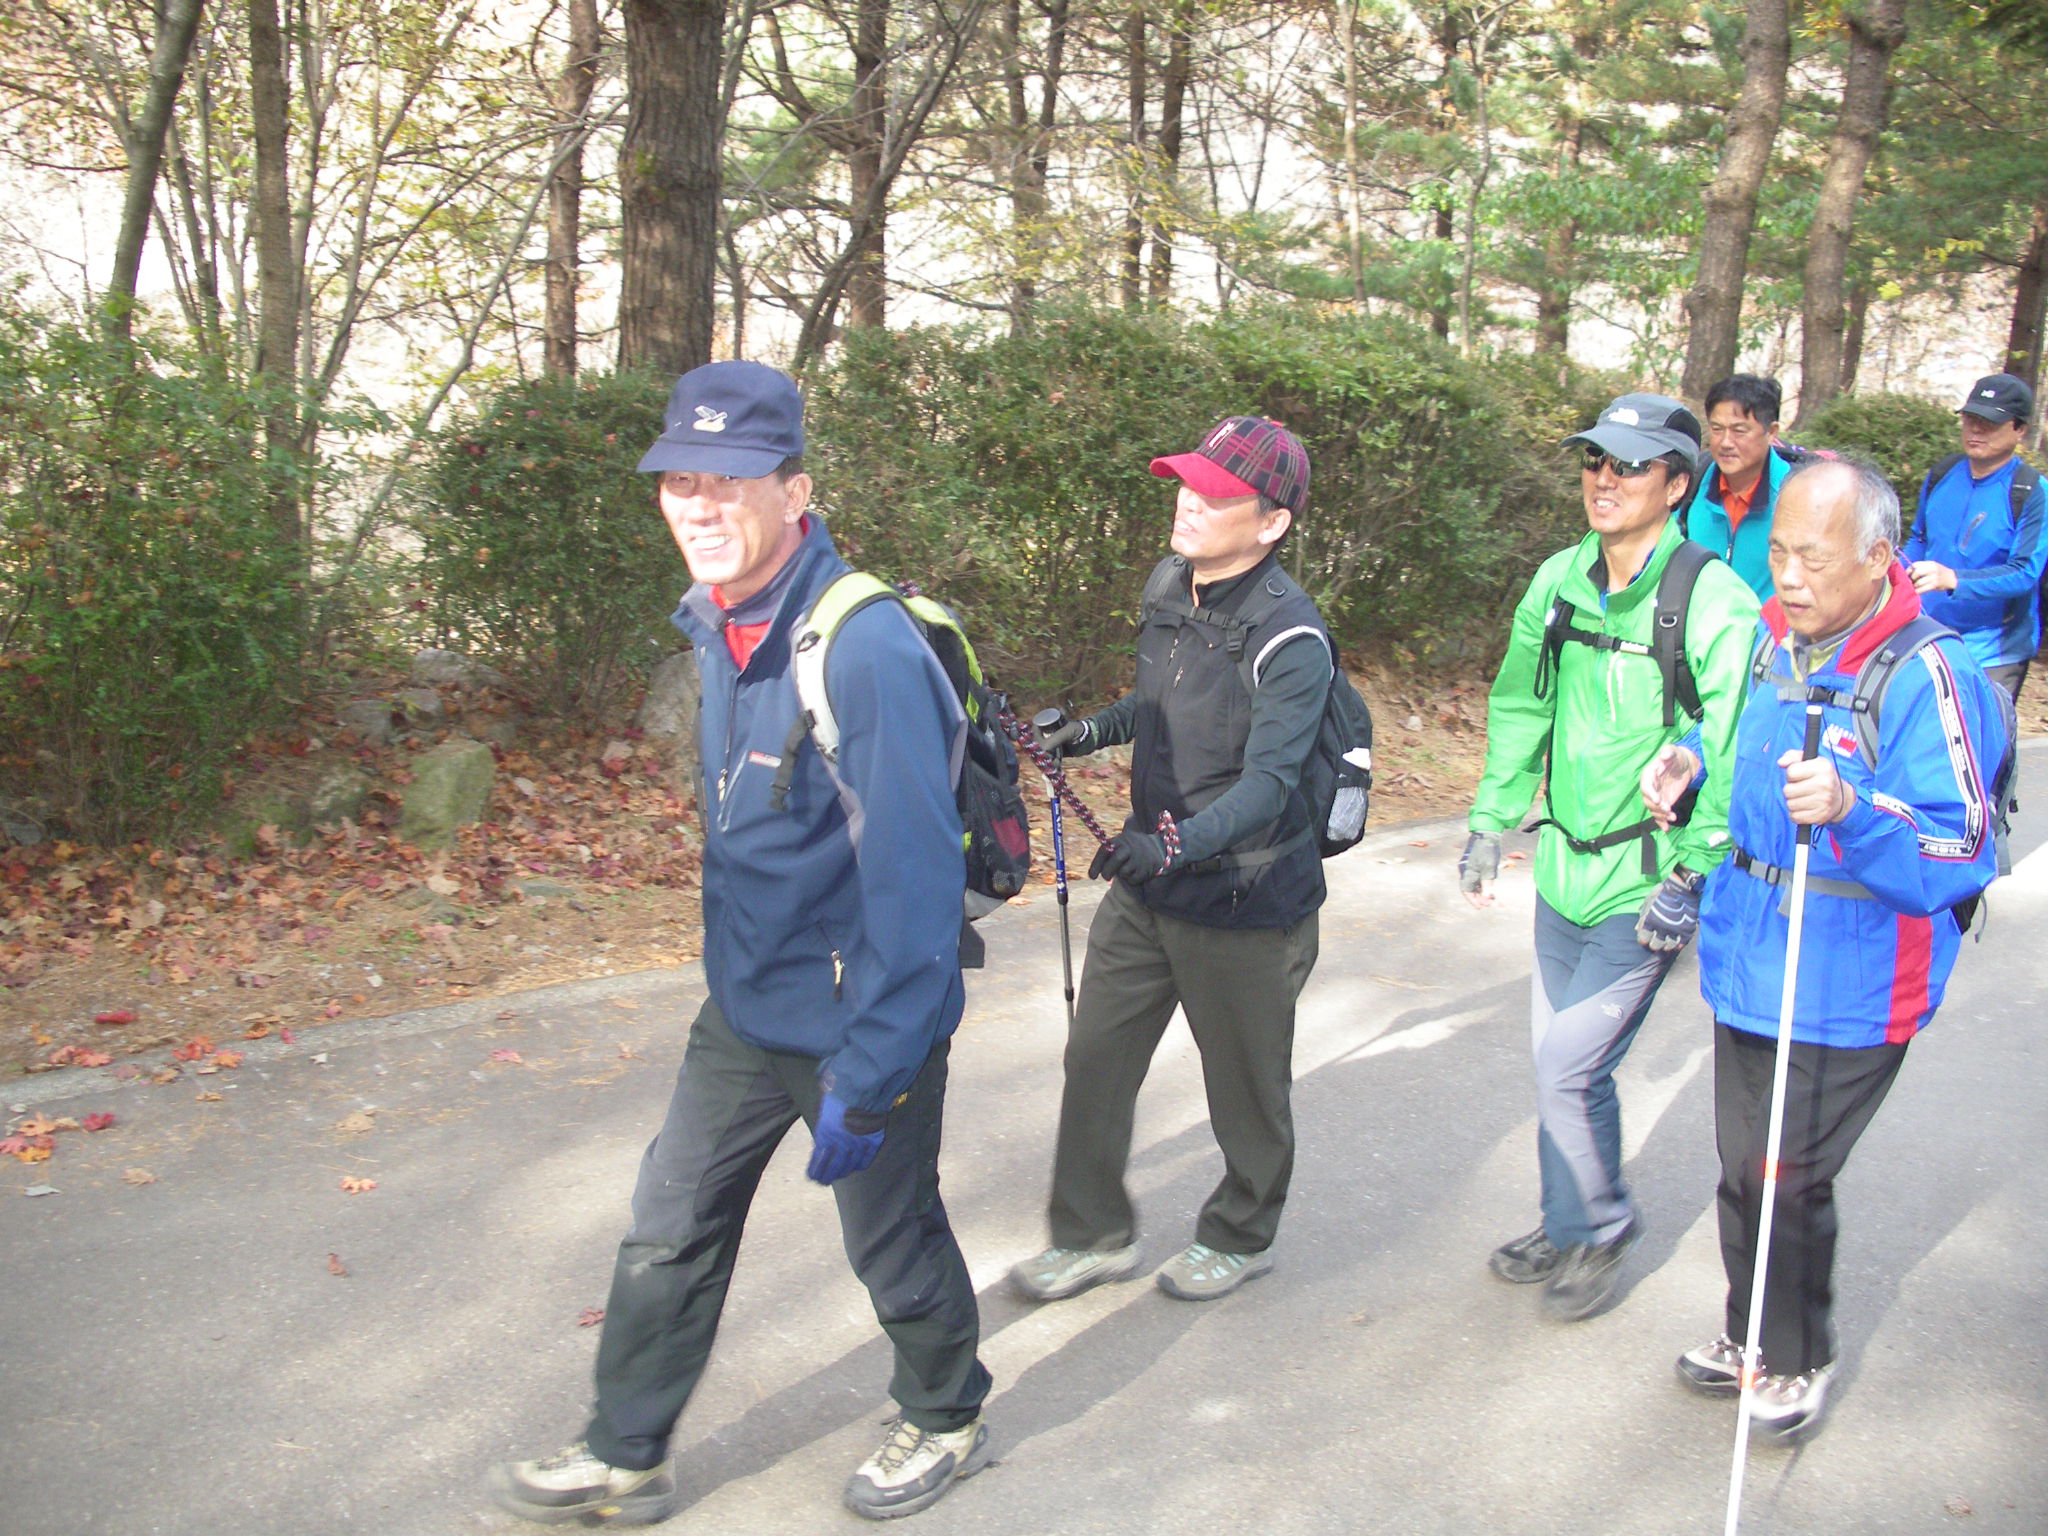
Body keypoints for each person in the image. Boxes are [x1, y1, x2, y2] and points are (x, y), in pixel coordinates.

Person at [489, 361, 992, 1525]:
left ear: (794, 490)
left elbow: (916, 891)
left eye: (729, 481)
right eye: (678, 483)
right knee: (667, 1227)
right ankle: (626, 1449)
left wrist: (872, 1074)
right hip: (745, 1006)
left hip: (859, 1021)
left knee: (891, 1236)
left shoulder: (857, 648)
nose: (699, 506)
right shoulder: (718, 622)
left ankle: (946, 1410)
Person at [1642, 457, 2006, 1442]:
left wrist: (1853, 810)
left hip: (1855, 973)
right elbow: (1726, 735)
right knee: (1738, 1165)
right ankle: (1747, 1330)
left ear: (1878, 557)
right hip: (1750, 947)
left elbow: (1963, 843)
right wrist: (1688, 760)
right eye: (1778, 554)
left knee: (1785, 1175)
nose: (1788, 577)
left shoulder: (1930, 672)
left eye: (1811, 556)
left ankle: (1794, 1351)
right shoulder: (1775, 640)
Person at [1008, 415, 1332, 1305]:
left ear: (1271, 523)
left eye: (1218, 493)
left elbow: (1269, 785)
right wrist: (1084, 734)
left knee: (1245, 1090)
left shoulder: (1291, 638)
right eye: (1187, 481)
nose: (1191, 501)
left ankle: (1240, 1231)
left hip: (1247, 901)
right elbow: (1151, 703)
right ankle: (1091, 1233)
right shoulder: (1170, 587)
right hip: (1152, 888)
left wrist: (1174, 844)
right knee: (1097, 1057)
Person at [1462, 394, 1761, 1321]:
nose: (1605, 478)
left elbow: (1738, 738)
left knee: (1566, 1069)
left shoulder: (1715, 599)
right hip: (1563, 873)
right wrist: (1491, 818)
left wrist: (1691, 872)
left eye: (1631, 466)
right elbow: (1522, 704)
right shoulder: (1558, 579)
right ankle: (1564, 1219)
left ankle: (1602, 1222)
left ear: (1678, 484)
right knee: (1557, 1060)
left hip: (1646, 886)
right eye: (1595, 459)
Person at [1903, 371, 2046, 701]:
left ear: (2020, 429)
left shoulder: (2030, 491)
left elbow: (2025, 573)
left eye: (1991, 422)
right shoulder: (1942, 474)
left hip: (1995, 649)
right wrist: (1902, 572)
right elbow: (1919, 538)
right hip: (1927, 634)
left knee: (1984, 743)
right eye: (1971, 419)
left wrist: (1953, 578)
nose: (1977, 429)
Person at [1683, 374, 1811, 601]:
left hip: (1771, 633)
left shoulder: (1799, 495)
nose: (1726, 442)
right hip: (1695, 631)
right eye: (1717, 429)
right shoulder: (1689, 486)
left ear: (1771, 432)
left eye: (1739, 431)